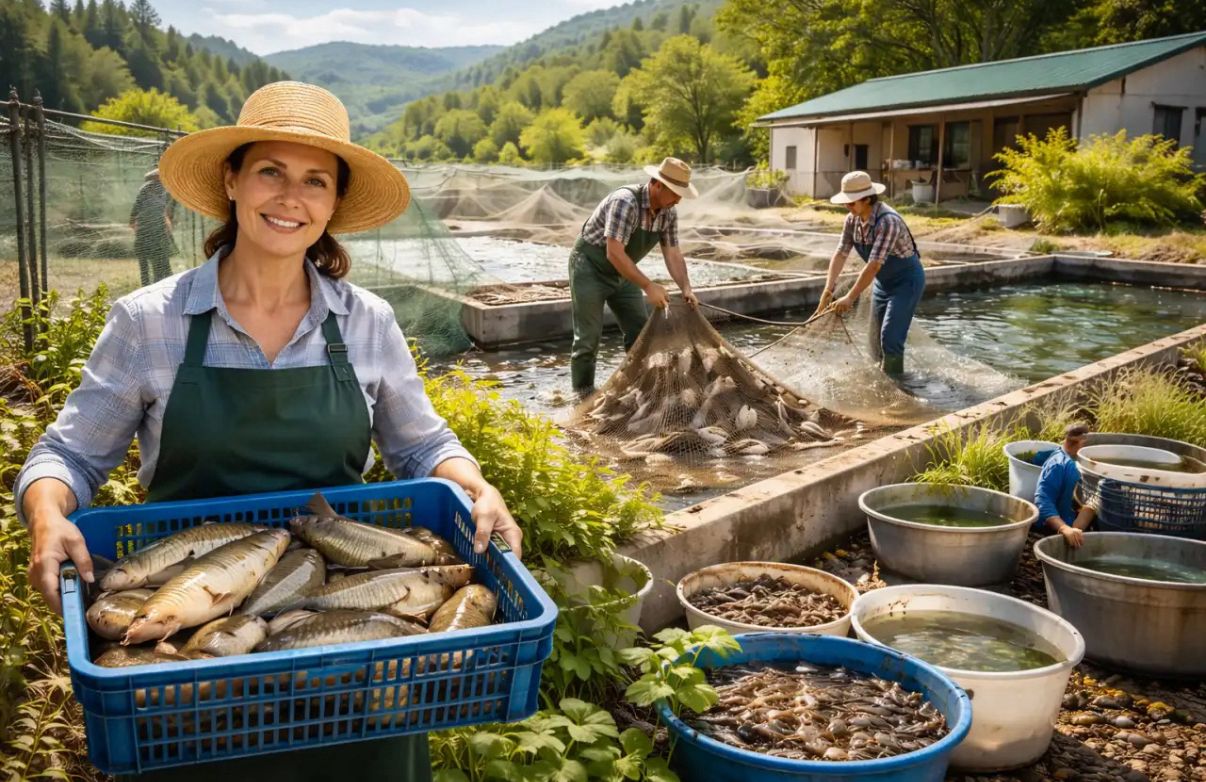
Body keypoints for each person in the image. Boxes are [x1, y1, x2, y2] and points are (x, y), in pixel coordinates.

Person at [17, 81, 522, 782]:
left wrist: (477, 485)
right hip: (196, 657)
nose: (291, 198)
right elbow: (69, 453)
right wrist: (47, 514)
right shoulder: (150, 320)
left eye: (315, 181)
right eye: (270, 172)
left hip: (348, 641)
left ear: (334, 203)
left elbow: (422, 445)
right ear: (231, 180)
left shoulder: (365, 320)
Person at [568, 157, 700, 393]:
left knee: (639, 331)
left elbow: (673, 254)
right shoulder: (625, 202)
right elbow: (614, 252)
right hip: (590, 267)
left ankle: (639, 388)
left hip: (622, 272)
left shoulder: (668, 213)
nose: (678, 199)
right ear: (657, 184)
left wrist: (686, 288)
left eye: (681, 194)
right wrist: (649, 286)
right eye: (675, 193)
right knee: (588, 339)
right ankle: (582, 393)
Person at [815, 171, 926, 379]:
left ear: (867, 199)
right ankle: (880, 381)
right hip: (882, 283)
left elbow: (874, 265)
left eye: (852, 202)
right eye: (846, 202)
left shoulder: (888, 221)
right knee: (874, 341)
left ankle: (897, 387)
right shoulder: (851, 221)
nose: (847, 207)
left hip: (906, 282)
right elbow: (840, 254)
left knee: (890, 338)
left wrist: (850, 297)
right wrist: (828, 289)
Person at [1034, 424, 1096, 547]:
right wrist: (1064, 528)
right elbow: (1043, 499)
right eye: (1086, 444)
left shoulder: (1079, 461)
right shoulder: (1058, 465)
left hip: (1078, 519)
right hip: (1061, 527)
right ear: (1079, 443)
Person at [129, 168, 176, 285]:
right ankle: (157, 286)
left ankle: (154, 285)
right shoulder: (155, 192)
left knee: (153, 266)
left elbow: (132, 220)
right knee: (157, 265)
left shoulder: (147, 192)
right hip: (153, 235)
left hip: (149, 235)